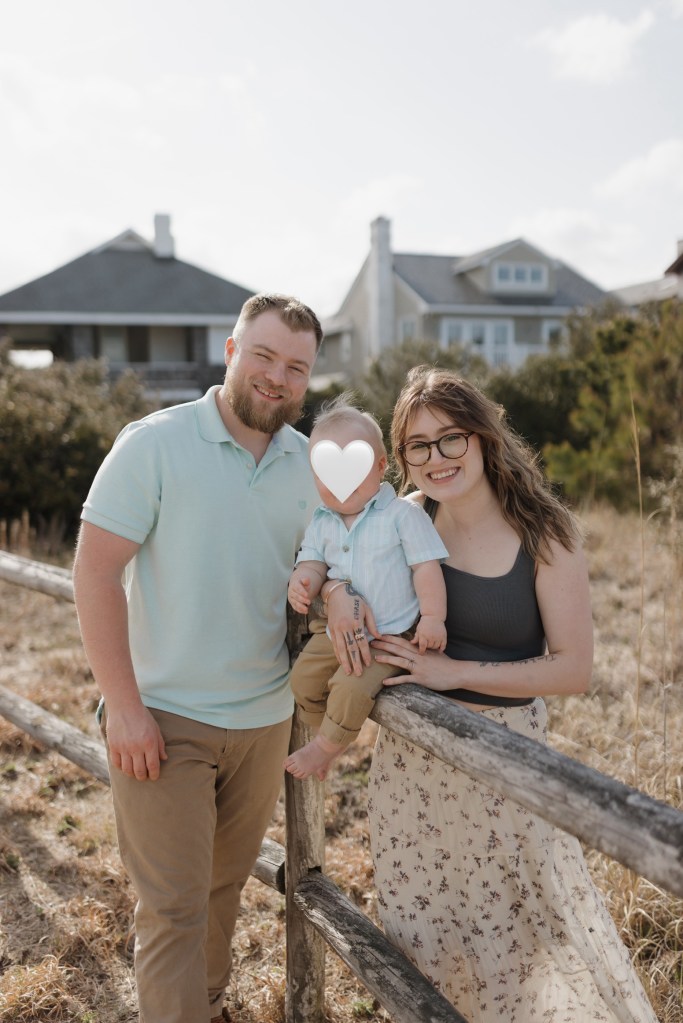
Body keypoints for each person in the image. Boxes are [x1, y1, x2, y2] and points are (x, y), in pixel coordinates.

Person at [330, 367, 657, 1023]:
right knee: (421, 938)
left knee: (519, 942)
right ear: (402, 459)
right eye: (417, 445)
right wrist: (339, 595)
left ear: (482, 437)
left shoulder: (544, 532)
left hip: (507, 762)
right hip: (410, 769)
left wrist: (454, 673)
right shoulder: (398, 520)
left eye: (449, 438)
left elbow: (572, 669)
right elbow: (332, 563)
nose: (436, 457)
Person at [72, 294, 323, 1023]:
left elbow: (334, 568)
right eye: (265, 356)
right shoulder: (153, 442)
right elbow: (93, 573)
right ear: (231, 350)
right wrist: (123, 706)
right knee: (174, 909)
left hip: (264, 720)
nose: (277, 378)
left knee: (220, 892)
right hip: (163, 716)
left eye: (297, 367)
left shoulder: (310, 466)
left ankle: (204, 1006)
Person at [284, 397, 448, 781]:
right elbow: (312, 562)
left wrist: (433, 618)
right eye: (325, 471)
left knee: (350, 687)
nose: (339, 484)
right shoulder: (322, 521)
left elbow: (426, 568)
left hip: (388, 637)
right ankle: (330, 733)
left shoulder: (402, 516)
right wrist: (301, 580)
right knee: (303, 680)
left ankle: (327, 747)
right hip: (336, 633)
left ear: (379, 466)